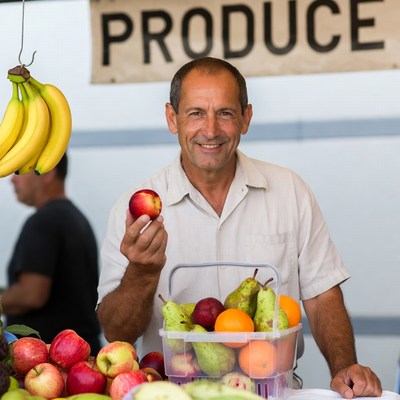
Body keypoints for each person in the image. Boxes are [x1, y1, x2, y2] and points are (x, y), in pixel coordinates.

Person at [97, 57, 382, 398]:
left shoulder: (289, 190)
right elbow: (117, 333)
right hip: (172, 393)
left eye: (226, 113)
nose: (211, 130)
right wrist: (141, 273)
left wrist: (343, 367)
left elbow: (322, 295)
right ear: (172, 119)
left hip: (269, 390)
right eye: (196, 113)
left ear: (246, 118)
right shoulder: (134, 213)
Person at [1, 153, 102, 354]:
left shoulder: (43, 221)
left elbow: (31, 295)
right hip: (78, 358)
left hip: (50, 362)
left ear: (47, 171)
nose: (12, 179)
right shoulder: (76, 218)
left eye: (19, 170)